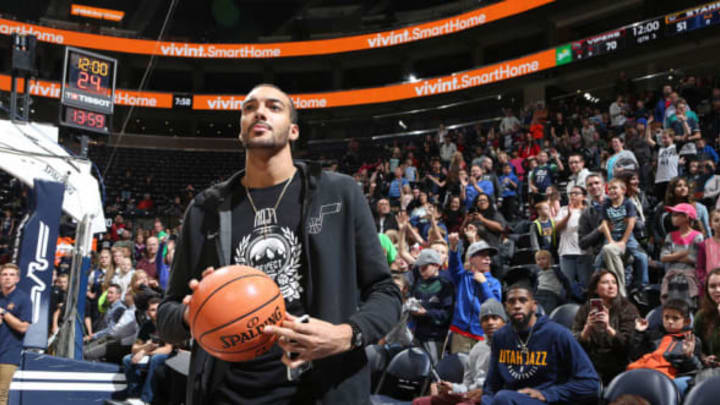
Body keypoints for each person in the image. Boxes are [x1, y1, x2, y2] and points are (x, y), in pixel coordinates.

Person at [156, 84, 401, 405]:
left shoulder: (339, 193)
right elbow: (167, 315)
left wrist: (346, 335)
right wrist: (193, 314)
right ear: (241, 130)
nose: (259, 111)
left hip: (322, 392)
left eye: (274, 106)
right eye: (249, 107)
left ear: (294, 130)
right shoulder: (205, 209)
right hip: (226, 395)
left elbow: (386, 292)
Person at [481, 282, 601, 405]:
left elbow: (590, 383)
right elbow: (491, 386)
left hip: (548, 401)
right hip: (512, 399)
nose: (517, 306)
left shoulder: (558, 334)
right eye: (512, 302)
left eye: (523, 300)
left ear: (534, 305)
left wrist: (547, 394)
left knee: (503, 397)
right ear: (506, 307)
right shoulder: (500, 337)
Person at [413, 299, 508, 405]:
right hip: (469, 396)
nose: (490, 322)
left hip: (491, 398)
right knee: (420, 402)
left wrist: (485, 392)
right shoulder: (478, 349)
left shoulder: (511, 346)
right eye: (485, 319)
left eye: (495, 318)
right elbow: (467, 385)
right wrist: (453, 387)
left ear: (504, 322)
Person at [572, 270, 639, 384]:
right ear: (595, 289)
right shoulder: (586, 309)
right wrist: (587, 329)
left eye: (614, 282)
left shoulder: (628, 308)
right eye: (605, 282)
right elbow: (573, 341)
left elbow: (629, 345)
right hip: (591, 362)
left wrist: (608, 328)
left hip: (617, 363)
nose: (611, 286)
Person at [629, 299, 703, 398]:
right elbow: (635, 354)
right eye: (666, 317)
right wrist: (639, 333)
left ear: (686, 322)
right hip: (640, 372)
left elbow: (694, 370)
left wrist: (689, 356)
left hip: (664, 379)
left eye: (675, 318)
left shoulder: (691, 341)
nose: (670, 321)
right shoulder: (654, 334)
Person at [446, 236, 502, 354]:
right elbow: (454, 265)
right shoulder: (463, 277)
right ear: (471, 259)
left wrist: (484, 284)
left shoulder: (494, 283)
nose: (487, 258)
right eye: (482, 255)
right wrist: (454, 247)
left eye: (488, 256)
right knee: (460, 368)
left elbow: (494, 306)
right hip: (461, 333)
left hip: (483, 335)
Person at [599, 178, 648, 297]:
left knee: (642, 257)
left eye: (614, 188)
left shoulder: (628, 203)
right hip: (612, 235)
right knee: (598, 261)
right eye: (609, 189)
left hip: (627, 236)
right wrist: (610, 240)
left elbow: (631, 223)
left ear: (623, 190)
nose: (611, 190)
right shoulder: (606, 204)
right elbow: (604, 224)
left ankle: (642, 286)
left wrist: (623, 242)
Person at [122, 297, 173, 405]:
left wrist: (144, 352)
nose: (156, 313)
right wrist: (145, 346)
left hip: (167, 355)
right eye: (152, 310)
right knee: (127, 359)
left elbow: (168, 349)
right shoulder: (146, 326)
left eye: (158, 309)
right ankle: (134, 395)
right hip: (150, 353)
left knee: (156, 359)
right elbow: (134, 348)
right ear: (148, 312)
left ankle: (146, 399)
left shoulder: (167, 324)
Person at [409, 249, 455, 365]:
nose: (421, 271)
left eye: (424, 267)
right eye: (419, 267)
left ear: (436, 265)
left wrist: (426, 313)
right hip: (417, 334)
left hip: (435, 337)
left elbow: (446, 314)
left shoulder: (445, 285)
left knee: (432, 369)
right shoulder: (418, 282)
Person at [0, 263, 32, 405]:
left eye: (11, 275)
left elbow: (23, 327)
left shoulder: (23, 299)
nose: (7, 278)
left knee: (1, 394)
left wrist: (4, 313)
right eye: (4, 274)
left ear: (17, 279)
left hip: (8, 354)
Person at [660, 203, 703, 303]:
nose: (672, 218)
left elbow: (693, 258)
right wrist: (684, 253)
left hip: (690, 279)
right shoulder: (670, 236)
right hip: (672, 278)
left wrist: (672, 255)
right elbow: (663, 257)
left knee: (688, 307)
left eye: (676, 215)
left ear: (686, 217)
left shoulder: (697, 236)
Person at [694, 267, 720, 368]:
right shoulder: (701, 316)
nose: (717, 290)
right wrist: (704, 358)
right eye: (712, 286)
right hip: (712, 371)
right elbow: (698, 348)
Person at [696, 209, 720, 292]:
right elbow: (700, 268)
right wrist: (706, 281)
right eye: (716, 220)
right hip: (710, 288)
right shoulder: (704, 245)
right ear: (710, 224)